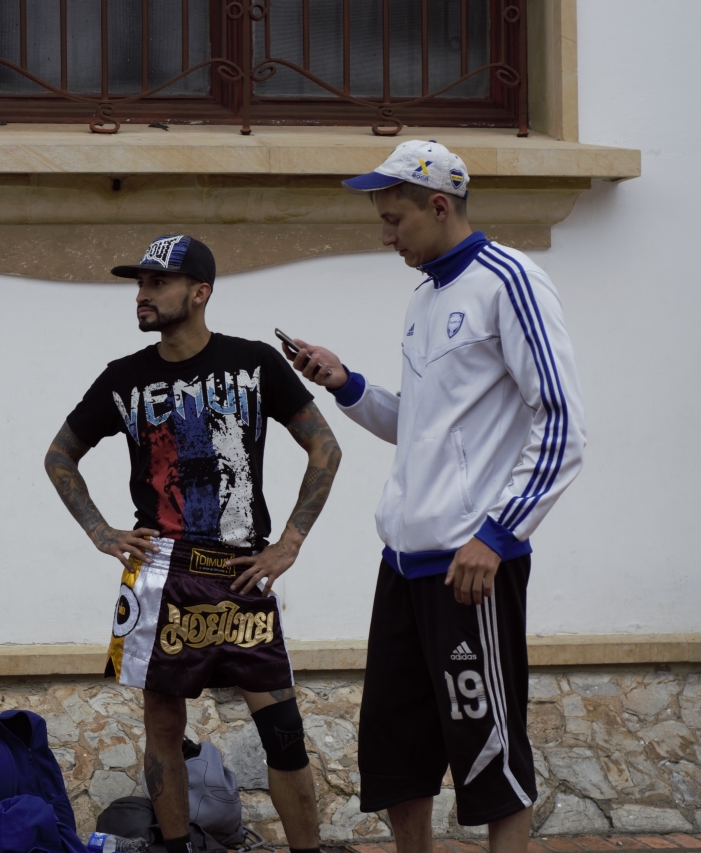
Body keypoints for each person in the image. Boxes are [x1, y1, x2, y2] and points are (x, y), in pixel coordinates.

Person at [283, 141, 586, 852]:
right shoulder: (425, 299)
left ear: (439, 205)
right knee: (397, 750)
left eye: (395, 221)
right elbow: (418, 426)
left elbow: (563, 423)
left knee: (490, 752)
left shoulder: (509, 281)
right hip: (404, 564)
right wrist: (345, 382)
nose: (386, 236)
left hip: (469, 564)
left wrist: (498, 534)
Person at [44, 235, 341, 853]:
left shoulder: (256, 363)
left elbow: (325, 447)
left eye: (158, 283)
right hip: (159, 572)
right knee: (162, 727)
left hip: (241, 571)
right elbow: (59, 456)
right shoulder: (123, 378)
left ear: (199, 293)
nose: (142, 294)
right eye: (140, 283)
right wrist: (102, 533)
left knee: (283, 730)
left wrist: (288, 544)